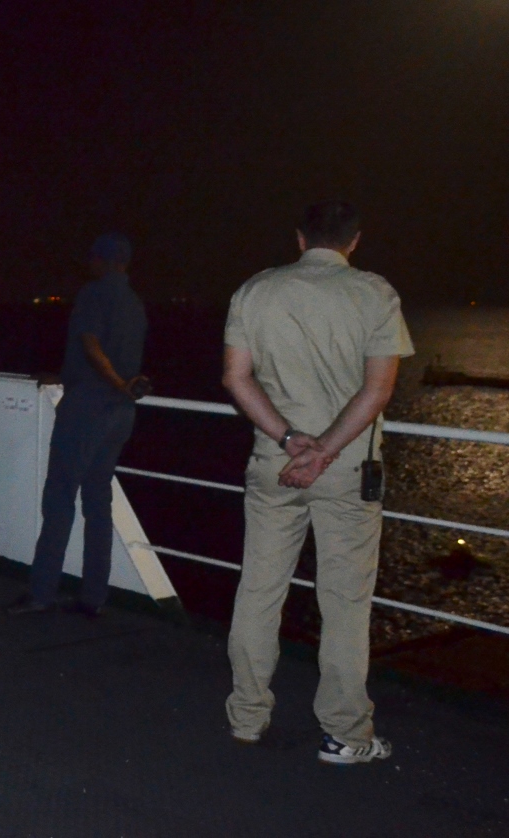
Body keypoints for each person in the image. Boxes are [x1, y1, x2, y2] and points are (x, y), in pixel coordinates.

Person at [221, 200, 413, 764]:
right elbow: (378, 390)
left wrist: (289, 440)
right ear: (354, 241)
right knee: (345, 603)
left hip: (275, 466)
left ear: (300, 238)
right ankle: (346, 733)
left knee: (259, 591)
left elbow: (236, 378)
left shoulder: (256, 290)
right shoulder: (375, 294)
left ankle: (247, 717)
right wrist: (325, 451)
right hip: (346, 471)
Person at [8, 233, 150, 618]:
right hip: (120, 415)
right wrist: (116, 385)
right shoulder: (135, 302)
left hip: (88, 409)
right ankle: (93, 597)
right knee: (97, 502)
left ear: (100, 261)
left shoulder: (93, 294)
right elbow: (119, 354)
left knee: (59, 499)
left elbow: (91, 345)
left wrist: (113, 382)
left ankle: (41, 593)